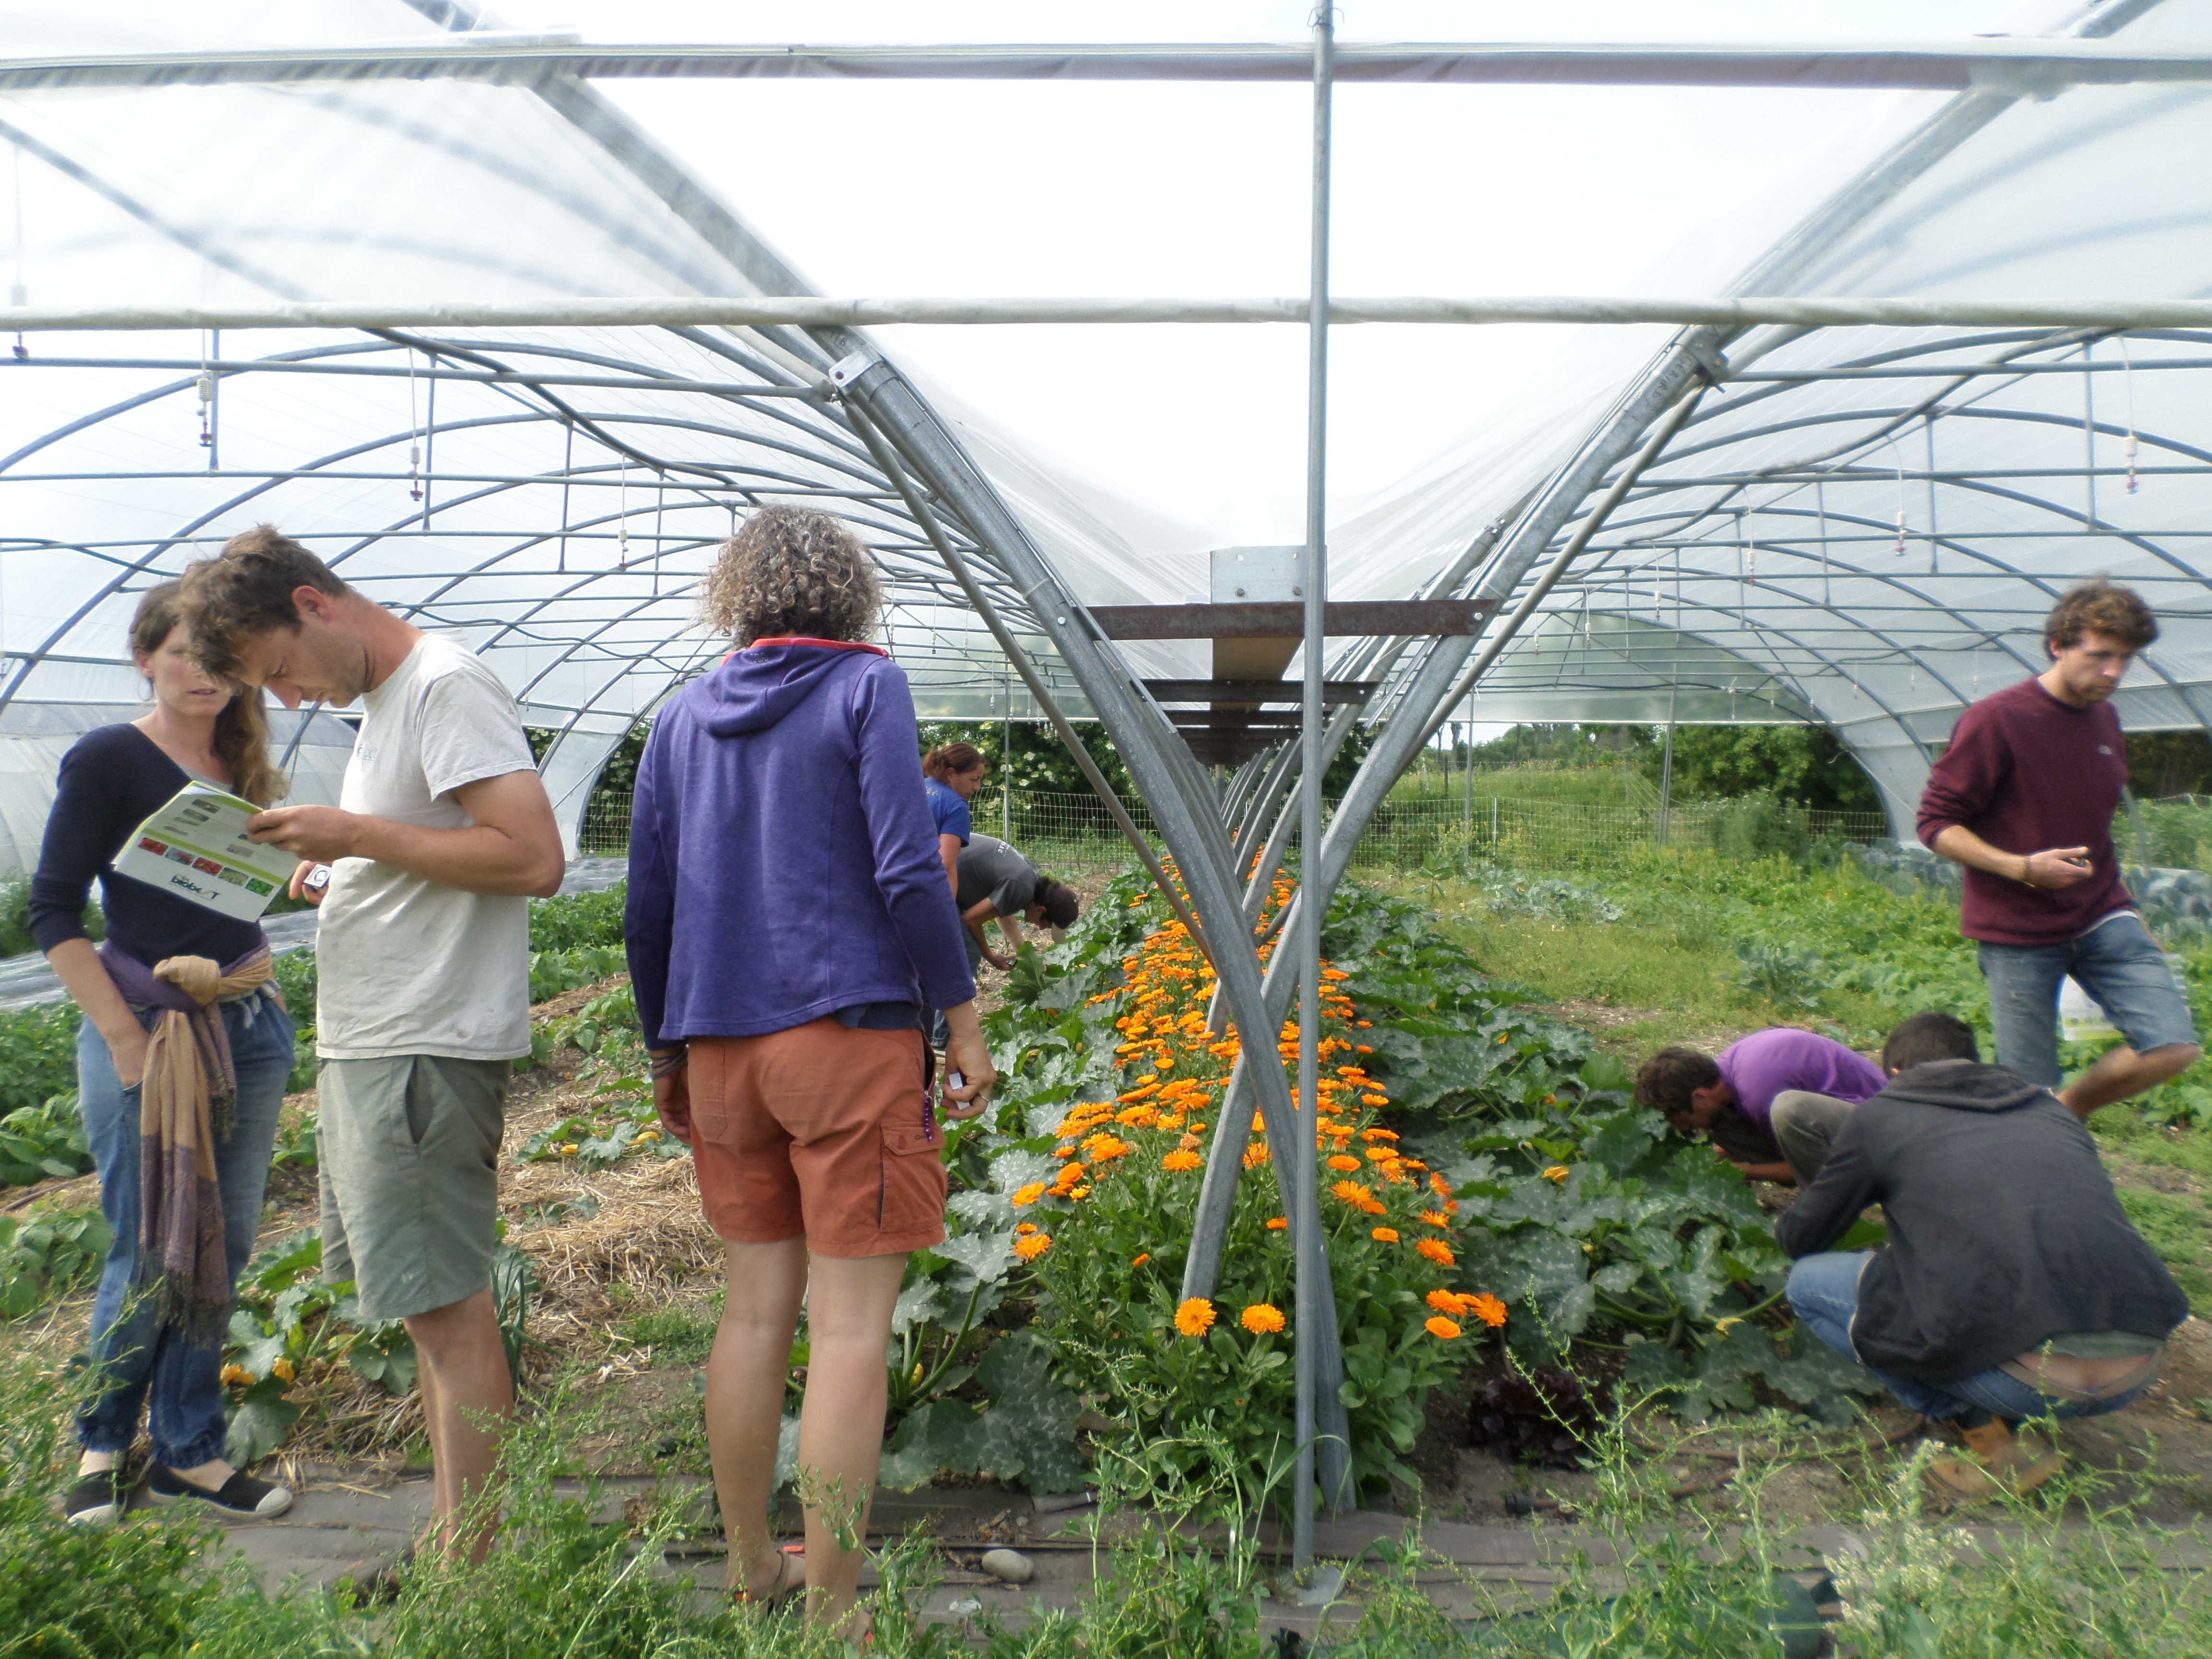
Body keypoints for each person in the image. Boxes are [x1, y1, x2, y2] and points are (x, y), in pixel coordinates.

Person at [625, 505, 994, 1638]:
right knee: (845, 1330)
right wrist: (961, 1016)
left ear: (735, 594)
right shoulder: (865, 687)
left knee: (750, 1317)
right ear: (852, 595)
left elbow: (649, 903)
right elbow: (905, 868)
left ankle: (752, 1571)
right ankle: (833, 1612)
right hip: (845, 1038)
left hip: (720, 1043)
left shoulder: (684, 712)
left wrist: (663, 1044)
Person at [175, 525, 565, 1560]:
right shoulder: (388, 706)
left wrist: (353, 838)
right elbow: (429, 855)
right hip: (379, 1041)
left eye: (281, 672)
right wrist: (331, 871)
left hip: (425, 1042)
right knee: (425, 1312)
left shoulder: (443, 684)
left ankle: (476, 1574)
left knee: (447, 1312)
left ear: (314, 606)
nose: (291, 698)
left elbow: (531, 857)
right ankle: (454, 1547)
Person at [30, 583, 300, 1527]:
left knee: (220, 1250)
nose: (207, 675)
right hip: (148, 1031)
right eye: (186, 653)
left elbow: (244, 893)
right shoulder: (109, 757)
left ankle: (192, 1449)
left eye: (225, 658)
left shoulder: (246, 757)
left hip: (249, 1025)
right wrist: (124, 1039)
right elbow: (52, 911)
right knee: (148, 1246)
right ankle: (103, 1443)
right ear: (145, 656)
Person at [1780, 1011, 2187, 1499]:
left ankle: (1990, 1441)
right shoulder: (2048, 1108)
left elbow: (1802, 1238)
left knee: (1807, 1283)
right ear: (1973, 1062)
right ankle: (2016, 1411)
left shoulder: (1881, 1116)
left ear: (1894, 1071)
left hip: (2031, 1380)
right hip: (2137, 1366)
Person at [1918, 580, 2200, 1118]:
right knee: (2027, 1091)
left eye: (2126, 658)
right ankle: (2035, 1157)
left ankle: (2070, 1108)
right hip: (2016, 930)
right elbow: (1935, 823)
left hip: (2102, 914)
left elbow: (2096, 827)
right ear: (2059, 645)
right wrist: (2021, 868)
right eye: (2100, 656)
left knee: (2173, 1047)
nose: (2114, 672)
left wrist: (2130, 911)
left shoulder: (2106, 720)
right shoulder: (1997, 720)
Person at [1635, 1027, 1885, 1185]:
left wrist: (1744, 1171)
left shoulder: (1759, 1095)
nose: (1688, 1129)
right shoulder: (1726, 1074)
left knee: (1784, 1124)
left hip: (1881, 1125)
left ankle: (1832, 1206)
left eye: (1685, 1121)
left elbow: (1807, 1169)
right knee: (1723, 1126)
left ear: (1700, 1096)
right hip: (1848, 1113)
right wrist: (1714, 1156)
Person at [955, 832, 1081, 973]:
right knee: (969, 956)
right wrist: (992, 958)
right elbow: (971, 920)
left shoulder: (1029, 879)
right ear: (1041, 910)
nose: (1040, 929)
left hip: (944, 869)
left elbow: (1003, 908)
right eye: (1045, 925)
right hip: (938, 876)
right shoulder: (1020, 887)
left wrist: (1026, 956)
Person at [921, 741, 986, 893]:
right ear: (950, 774)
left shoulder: (917, 786)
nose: (978, 788)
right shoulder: (956, 806)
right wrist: (947, 914)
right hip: (924, 889)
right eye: (974, 779)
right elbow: (946, 868)